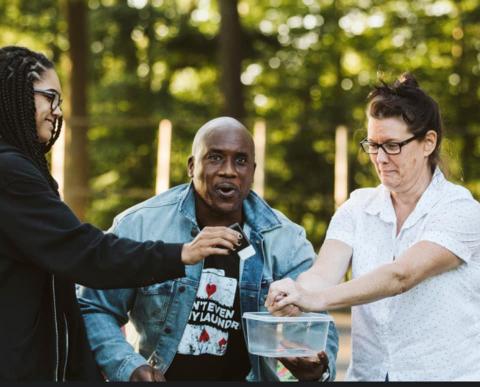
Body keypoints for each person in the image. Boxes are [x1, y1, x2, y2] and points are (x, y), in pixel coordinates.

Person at [0, 46, 240, 381]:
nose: (56, 111)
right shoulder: (10, 171)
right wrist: (183, 252)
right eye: (49, 97)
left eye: (60, 101)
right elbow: (86, 252)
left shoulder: (18, 169)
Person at [77, 117, 339, 382]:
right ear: (192, 166)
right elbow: (94, 306)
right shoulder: (141, 226)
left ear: (252, 171)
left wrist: (316, 368)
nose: (229, 171)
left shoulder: (285, 240)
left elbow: (318, 324)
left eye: (240, 160)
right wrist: (130, 368)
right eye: (215, 158)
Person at [266, 73, 480, 381]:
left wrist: (314, 300)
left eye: (392, 146)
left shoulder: (460, 210)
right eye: (373, 145)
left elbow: (402, 275)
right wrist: (294, 293)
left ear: (427, 143)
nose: (379, 158)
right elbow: (323, 274)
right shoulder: (358, 207)